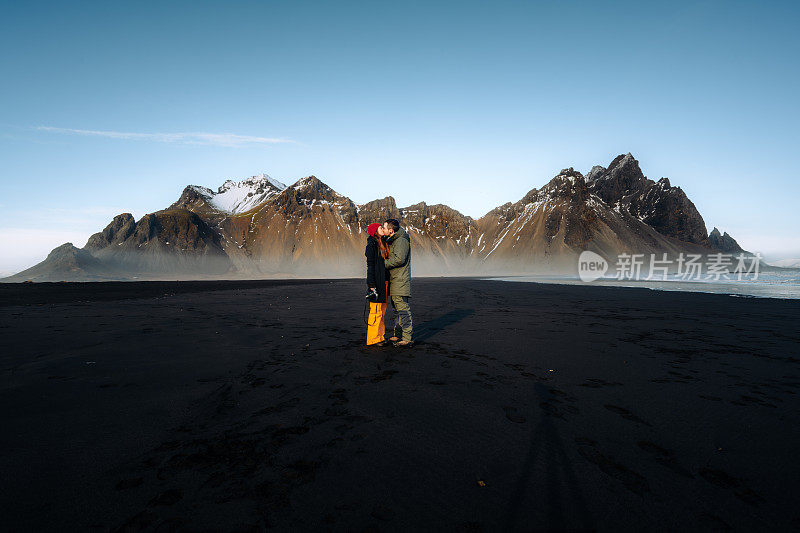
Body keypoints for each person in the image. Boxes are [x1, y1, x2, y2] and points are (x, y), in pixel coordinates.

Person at [383, 218, 413, 346]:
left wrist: (382, 264)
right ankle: (397, 335)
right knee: (396, 310)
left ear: (390, 230)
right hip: (395, 281)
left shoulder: (401, 240)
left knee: (403, 310)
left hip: (400, 281)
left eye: (384, 227)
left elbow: (399, 259)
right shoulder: (394, 240)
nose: (382, 229)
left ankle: (406, 338)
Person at [365, 222, 391, 346]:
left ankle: (380, 336)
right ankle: (372, 339)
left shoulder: (384, 243)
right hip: (376, 282)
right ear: (375, 231)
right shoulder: (371, 245)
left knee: (382, 311)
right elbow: (370, 266)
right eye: (380, 227)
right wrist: (371, 284)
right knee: (375, 311)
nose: (382, 229)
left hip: (384, 282)